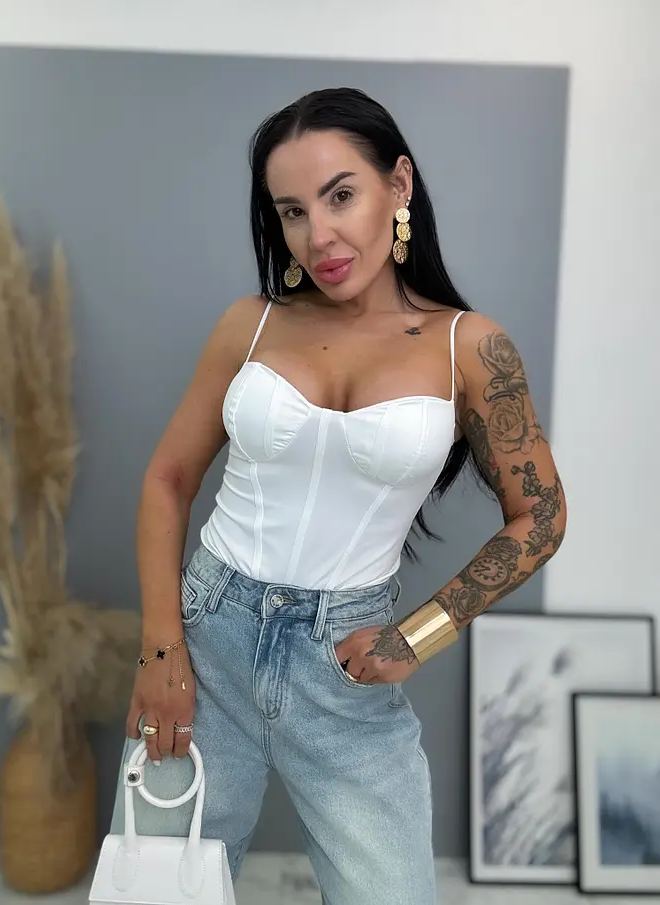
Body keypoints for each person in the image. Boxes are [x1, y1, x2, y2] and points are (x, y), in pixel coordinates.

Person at [124, 87, 566, 904]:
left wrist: (416, 636)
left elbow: (539, 515)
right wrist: (160, 650)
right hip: (207, 638)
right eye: (291, 212)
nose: (317, 235)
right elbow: (167, 479)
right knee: (157, 889)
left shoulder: (470, 347)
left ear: (397, 185)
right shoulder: (250, 324)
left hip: (343, 665)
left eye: (339, 196)